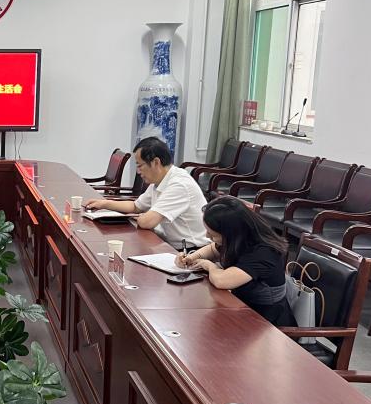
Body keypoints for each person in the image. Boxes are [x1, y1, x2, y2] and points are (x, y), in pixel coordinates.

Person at [177, 196, 297, 326]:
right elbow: (213, 249)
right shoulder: (240, 238)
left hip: (266, 322)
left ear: (230, 233)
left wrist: (209, 266)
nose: (207, 236)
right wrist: (193, 257)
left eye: (212, 234)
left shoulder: (264, 252)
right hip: (240, 307)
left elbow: (222, 281)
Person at [85, 137, 209, 249]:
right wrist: (104, 204)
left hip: (193, 251)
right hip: (173, 245)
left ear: (156, 162)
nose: (138, 172)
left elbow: (146, 222)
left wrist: (144, 217)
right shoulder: (160, 180)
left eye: (140, 166)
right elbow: (135, 206)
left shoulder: (179, 184)